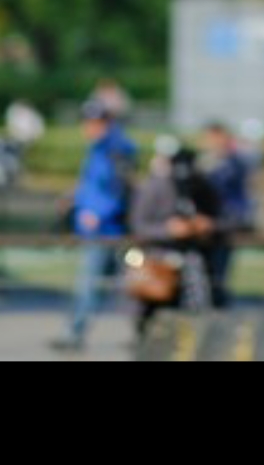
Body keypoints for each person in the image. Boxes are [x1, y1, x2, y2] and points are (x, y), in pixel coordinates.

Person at [49, 96, 140, 353]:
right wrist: (74, 198)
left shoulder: (116, 148)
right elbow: (92, 184)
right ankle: (76, 332)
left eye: (94, 122)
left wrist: (98, 213)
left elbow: (119, 188)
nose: (88, 127)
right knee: (118, 284)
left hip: (109, 230)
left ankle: (74, 333)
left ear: (105, 123)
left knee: (99, 284)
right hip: (97, 229)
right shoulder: (98, 148)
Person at [126, 136, 220, 352]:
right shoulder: (154, 187)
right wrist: (167, 229)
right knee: (153, 317)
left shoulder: (200, 187)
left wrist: (205, 225)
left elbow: (222, 217)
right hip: (158, 260)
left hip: (190, 261)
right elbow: (138, 224)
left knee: (194, 314)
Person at [195, 121, 258, 307]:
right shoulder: (203, 162)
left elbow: (235, 196)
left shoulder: (234, 164)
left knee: (218, 271)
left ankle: (217, 302)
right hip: (202, 222)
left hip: (222, 223)